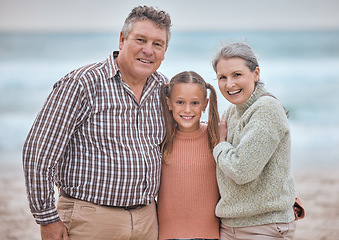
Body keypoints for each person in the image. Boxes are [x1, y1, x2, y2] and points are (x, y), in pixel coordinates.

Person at [22, 5, 171, 240]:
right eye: (140, 40)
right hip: (90, 219)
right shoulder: (82, 83)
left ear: (165, 51)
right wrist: (47, 218)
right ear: (122, 40)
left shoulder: (164, 88)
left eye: (157, 44)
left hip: (148, 221)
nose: (148, 50)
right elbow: (38, 152)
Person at [212, 42, 297, 240]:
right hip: (229, 226)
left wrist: (220, 143)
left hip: (264, 227)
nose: (229, 84)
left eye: (237, 75)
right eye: (222, 77)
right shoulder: (231, 112)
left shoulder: (267, 108)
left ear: (256, 73)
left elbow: (242, 171)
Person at [157, 71, 221, 240]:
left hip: (209, 235)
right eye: (180, 102)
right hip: (166, 236)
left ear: (205, 104)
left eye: (194, 103)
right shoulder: (160, 139)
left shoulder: (216, 138)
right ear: (169, 103)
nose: (187, 109)